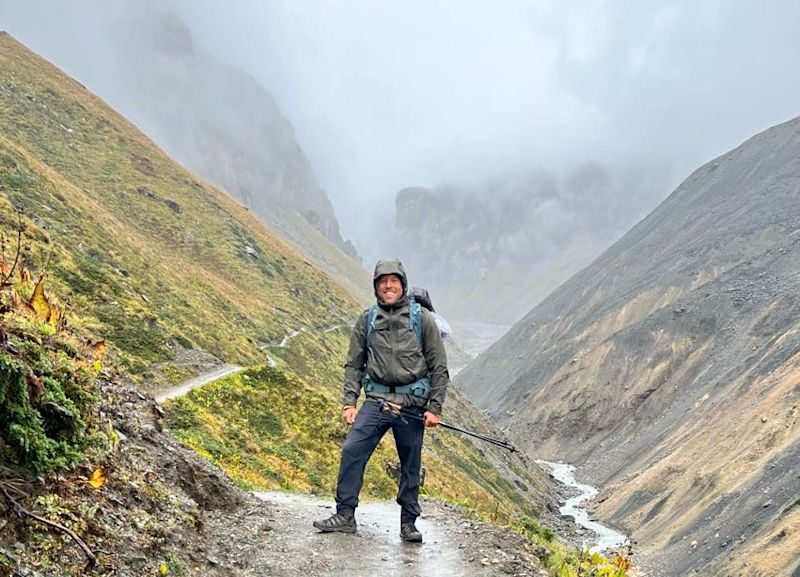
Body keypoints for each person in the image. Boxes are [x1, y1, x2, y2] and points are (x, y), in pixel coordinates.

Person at [313, 259, 450, 543]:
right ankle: (345, 514)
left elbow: (439, 366)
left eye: (394, 281)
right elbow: (354, 365)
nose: (389, 286)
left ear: (403, 284)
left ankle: (408, 523)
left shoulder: (421, 318)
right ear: (377, 286)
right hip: (376, 401)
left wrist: (434, 408)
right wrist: (349, 403)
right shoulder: (367, 319)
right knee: (352, 451)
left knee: (410, 464)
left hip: (411, 405)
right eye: (383, 281)